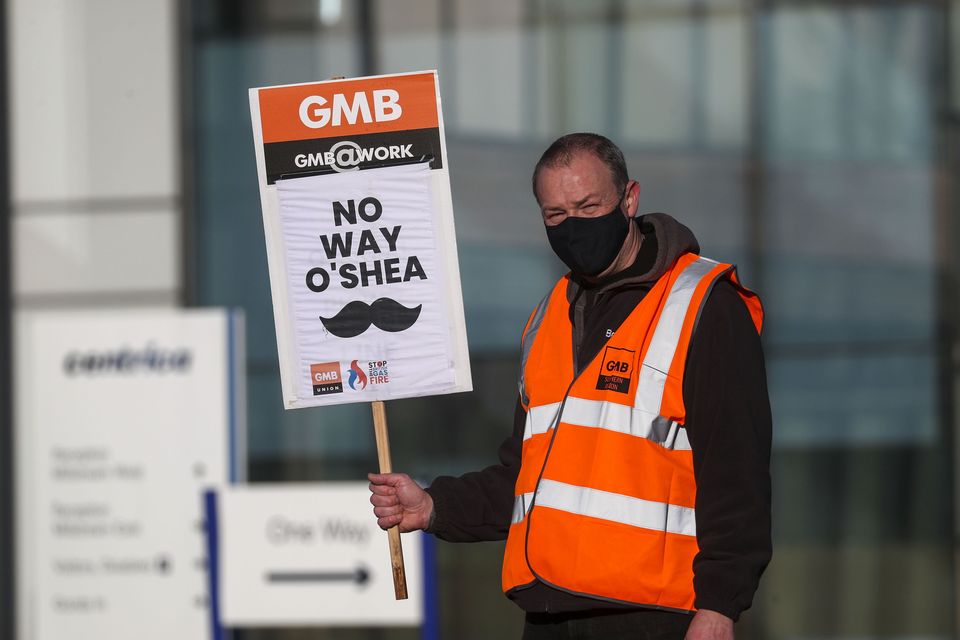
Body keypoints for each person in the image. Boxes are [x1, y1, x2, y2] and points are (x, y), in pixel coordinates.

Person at [368, 133, 772, 640]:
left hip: (658, 615)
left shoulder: (703, 304)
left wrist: (720, 605)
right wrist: (434, 507)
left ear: (629, 199)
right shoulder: (548, 318)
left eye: (588, 206)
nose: (574, 225)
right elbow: (526, 478)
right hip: (549, 611)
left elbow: (737, 472)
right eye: (556, 214)